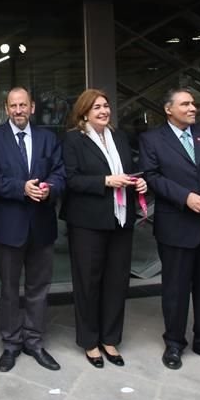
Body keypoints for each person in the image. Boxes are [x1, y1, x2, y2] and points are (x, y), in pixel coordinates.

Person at [138, 87, 200, 372]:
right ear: (169, 109)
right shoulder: (151, 139)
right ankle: (174, 343)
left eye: (194, 103)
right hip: (176, 224)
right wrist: (185, 198)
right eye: (185, 104)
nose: (193, 108)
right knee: (175, 289)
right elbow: (151, 176)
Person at [0, 86, 66, 372]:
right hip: (9, 226)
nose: (18, 110)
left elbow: (60, 173)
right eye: (13, 105)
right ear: (6, 109)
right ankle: (10, 343)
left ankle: (34, 341)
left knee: (38, 288)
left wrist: (50, 189)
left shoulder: (48, 138)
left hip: (42, 225)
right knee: (8, 288)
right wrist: (21, 188)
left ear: (32, 108)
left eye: (23, 105)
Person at [61, 89, 147, 368]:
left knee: (117, 281)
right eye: (96, 107)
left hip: (120, 220)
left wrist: (139, 184)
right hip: (87, 222)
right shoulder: (74, 140)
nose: (103, 111)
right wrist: (105, 181)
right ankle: (90, 342)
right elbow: (71, 180)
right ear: (84, 112)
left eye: (106, 106)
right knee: (88, 282)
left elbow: (130, 170)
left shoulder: (119, 137)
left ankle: (110, 339)